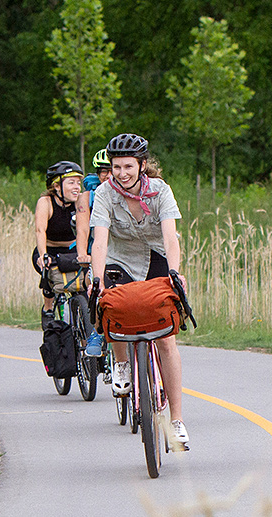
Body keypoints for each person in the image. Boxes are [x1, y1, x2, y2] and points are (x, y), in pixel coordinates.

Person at [89, 133, 190, 447]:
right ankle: (121, 364)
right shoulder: (105, 193)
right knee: (113, 310)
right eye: (117, 167)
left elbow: (171, 238)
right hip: (120, 259)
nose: (122, 173)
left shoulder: (160, 191)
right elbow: (101, 240)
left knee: (166, 340)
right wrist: (97, 280)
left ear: (142, 165)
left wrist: (173, 272)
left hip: (156, 257)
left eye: (128, 167)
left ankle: (176, 422)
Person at [33, 161, 84, 330]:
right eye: (71, 182)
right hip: (50, 249)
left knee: (83, 284)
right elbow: (40, 230)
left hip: (73, 249)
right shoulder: (46, 202)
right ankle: (48, 308)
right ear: (56, 186)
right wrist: (43, 255)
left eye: (78, 182)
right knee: (48, 272)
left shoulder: (80, 202)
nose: (77, 187)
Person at [74, 149, 112, 357]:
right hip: (95, 250)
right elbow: (82, 229)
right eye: (102, 171)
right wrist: (82, 254)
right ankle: (97, 333)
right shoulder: (86, 198)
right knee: (95, 286)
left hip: (121, 253)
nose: (107, 175)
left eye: (110, 170)